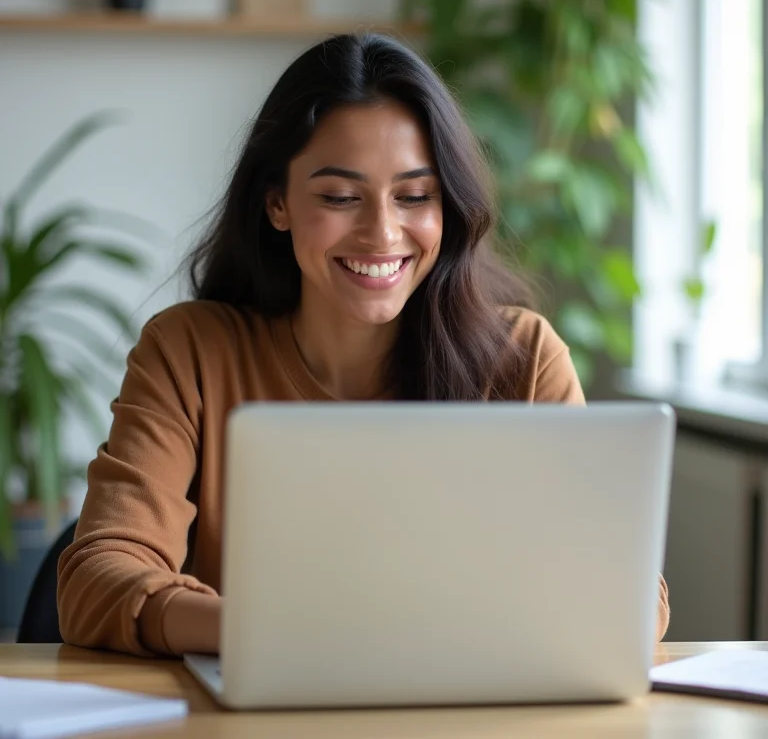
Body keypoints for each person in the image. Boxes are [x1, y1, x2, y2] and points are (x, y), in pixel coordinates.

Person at [57, 33, 670, 657]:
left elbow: (629, 601)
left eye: (414, 196)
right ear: (278, 204)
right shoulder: (190, 353)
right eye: (340, 197)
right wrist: (263, 633)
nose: (382, 232)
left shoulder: (525, 361)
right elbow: (97, 577)